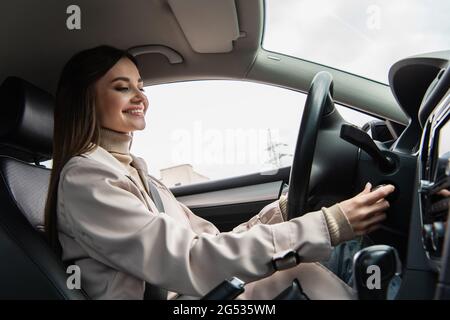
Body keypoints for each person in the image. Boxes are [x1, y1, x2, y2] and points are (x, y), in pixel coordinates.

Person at [44, 45, 395, 300]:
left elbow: (208, 242)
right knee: (302, 269)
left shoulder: (140, 176)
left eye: (140, 86)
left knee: (342, 250)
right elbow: (192, 260)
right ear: (85, 100)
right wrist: (326, 225)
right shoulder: (86, 178)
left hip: (191, 298)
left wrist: (288, 211)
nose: (140, 96)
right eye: (122, 87)